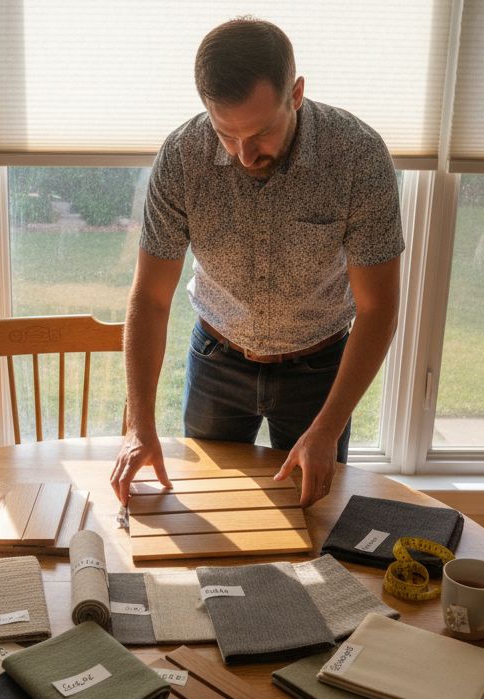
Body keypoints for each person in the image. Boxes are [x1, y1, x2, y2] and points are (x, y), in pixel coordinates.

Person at [109, 18, 404, 508]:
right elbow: (150, 297)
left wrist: (328, 429)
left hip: (319, 370)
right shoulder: (182, 157)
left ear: (297, 93)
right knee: (210, 511)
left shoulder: (357, 156)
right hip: (216, 363)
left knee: (312, 523)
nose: (245, 154)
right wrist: (139, 426)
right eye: (227, 134)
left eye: (261, 133)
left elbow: (378, 309)